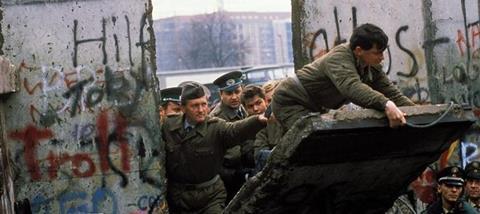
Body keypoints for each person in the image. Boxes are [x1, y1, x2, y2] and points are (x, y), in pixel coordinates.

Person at [271, 23, 415, 132]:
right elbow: (352, 88)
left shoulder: (371, 65)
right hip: (291, 101)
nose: (382, 58)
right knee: (312, 145)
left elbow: (392, 93)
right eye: (377, 52)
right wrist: (386, 104)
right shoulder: (339, 58)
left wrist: (419, 113)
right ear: (359, 50)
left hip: (315, 105)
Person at [162, 82, 267, 213]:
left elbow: (235, 130)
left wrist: (258, 120)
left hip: (210, 197)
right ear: (183, 108)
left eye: (204, 104)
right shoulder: (168, 126)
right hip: (178, 198)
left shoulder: (216, 127)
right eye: (195, 106)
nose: (201, 110)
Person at [210, 71, 250, 202]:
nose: (234, 97)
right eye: (229, 93)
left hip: (244, 170)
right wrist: (232, 176)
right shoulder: (216, 118)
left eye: (237, 92)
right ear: (221, 95)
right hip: (228, 177)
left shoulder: (243, 108)